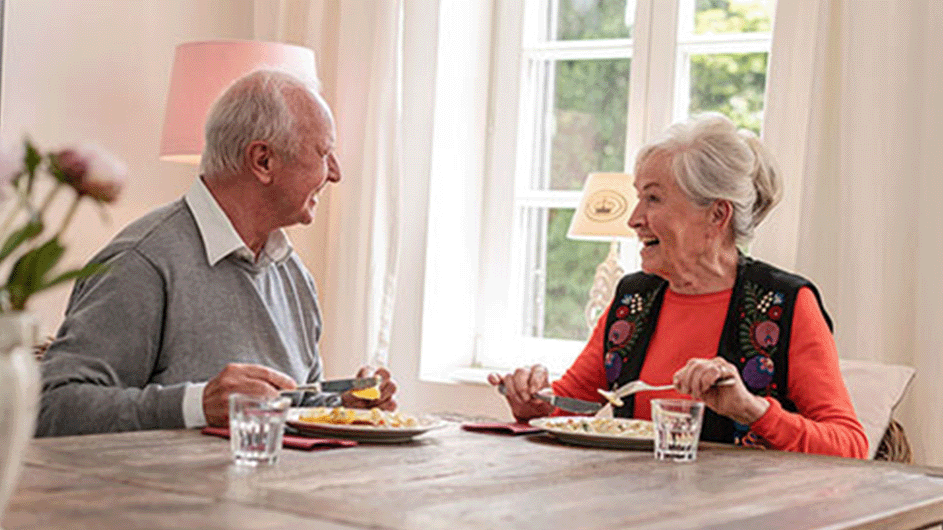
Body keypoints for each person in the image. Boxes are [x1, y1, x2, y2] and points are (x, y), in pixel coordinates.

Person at [37, 69, 396, 436]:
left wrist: (345, 407)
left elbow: (294, 406)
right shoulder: (141, 263)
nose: (334, 173)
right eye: (324, 153)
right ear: (263, 161)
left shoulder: (293, 276)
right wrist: (198, 404)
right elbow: (53, 408)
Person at [489, 113, 867, 458]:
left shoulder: (784, 304)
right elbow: (569, 404)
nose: (635, 219)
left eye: (653, 198)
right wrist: (533, 404)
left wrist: (751, 409)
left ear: (717, 215)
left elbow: (850, 447)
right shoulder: (633, 299)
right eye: (639, 198)